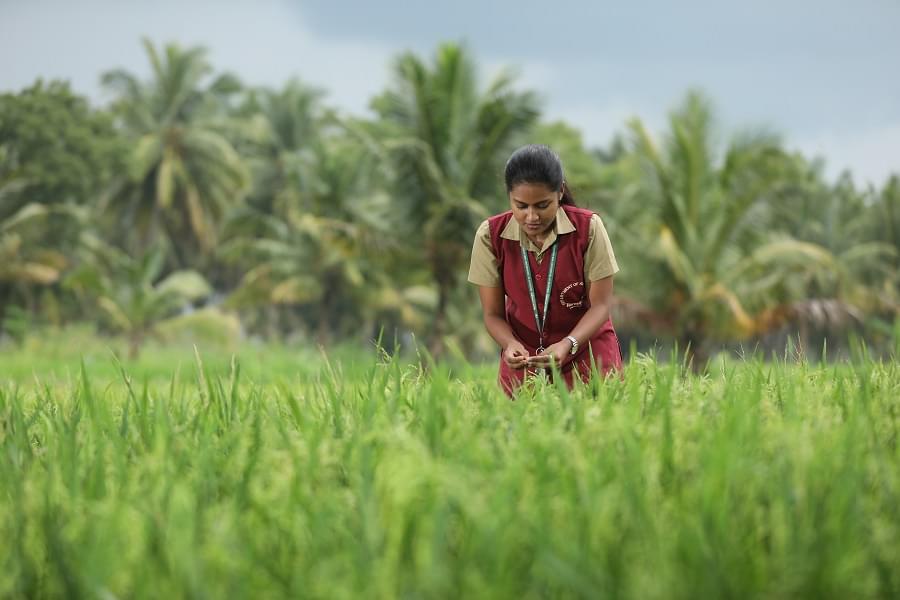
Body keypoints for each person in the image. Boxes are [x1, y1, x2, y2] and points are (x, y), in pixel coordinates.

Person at [467, 144, 622, 395]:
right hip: (524, 361)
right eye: (521, 206)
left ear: (560, 191)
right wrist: (509, 344)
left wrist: (568, 344)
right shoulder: (490, 235)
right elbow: (492, 314)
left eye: (542, 205)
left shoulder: (589, 228)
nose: (531, 217)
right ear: (509, 197)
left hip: (587, 354)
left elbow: (601, 306)